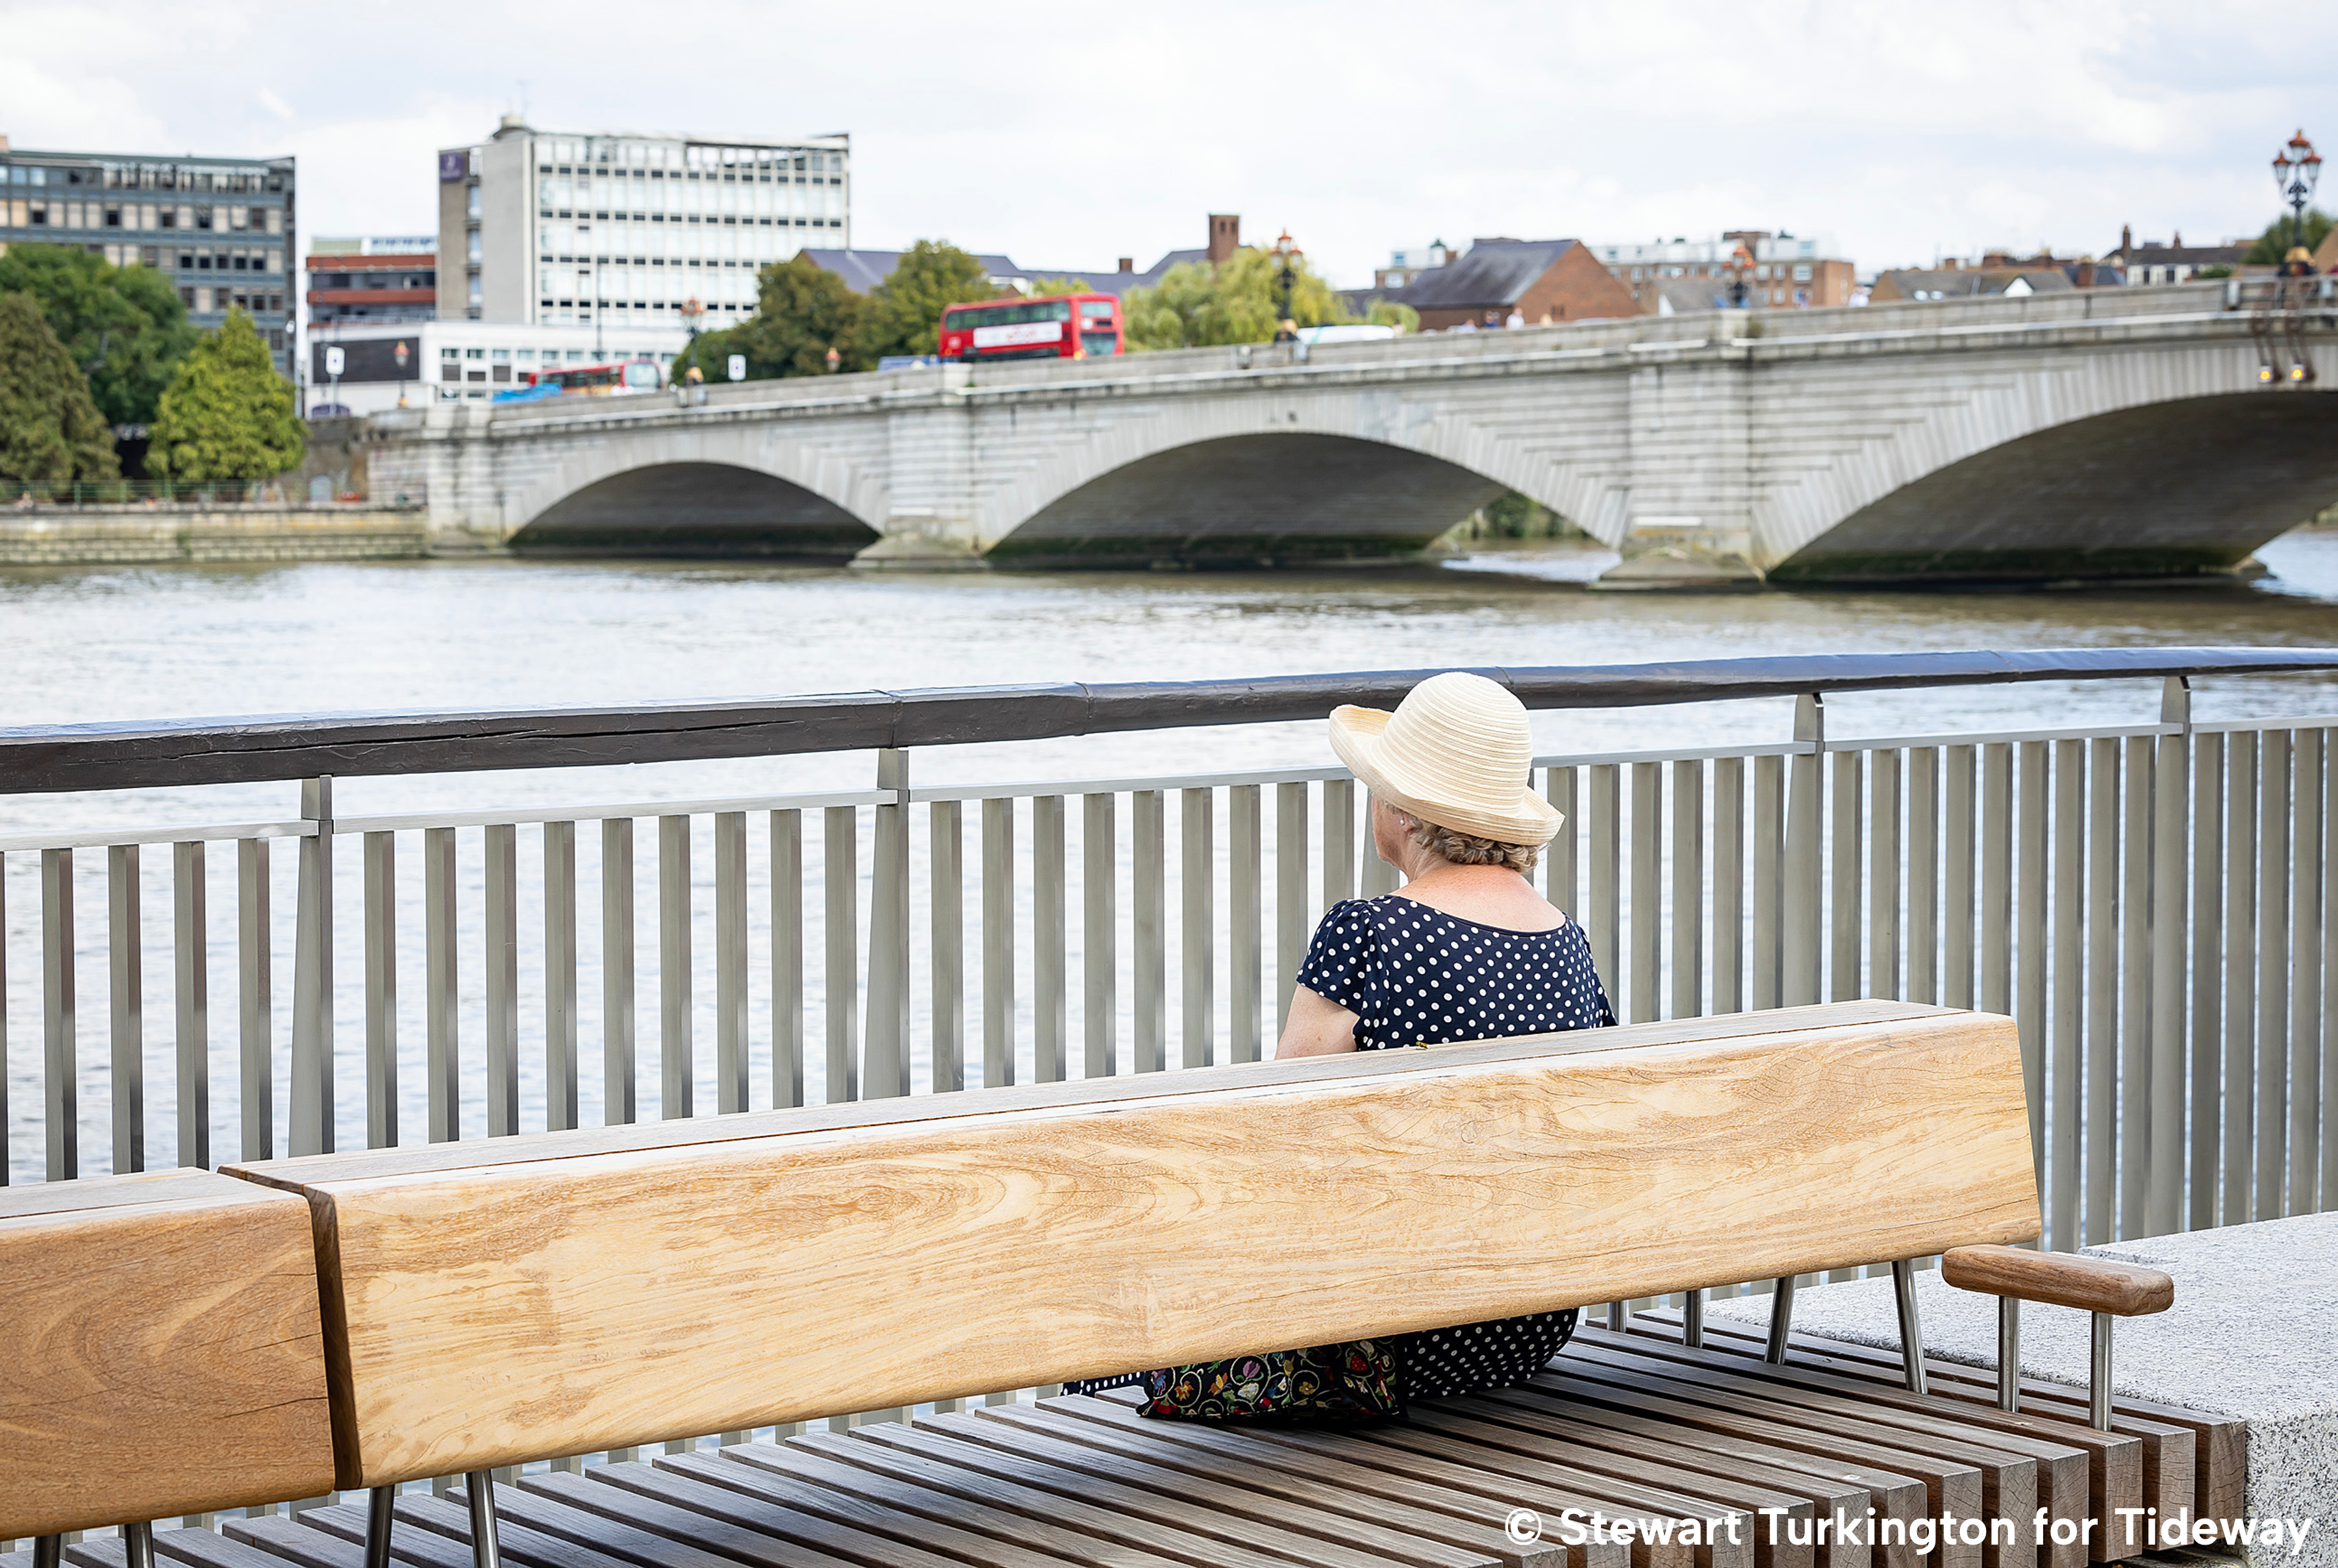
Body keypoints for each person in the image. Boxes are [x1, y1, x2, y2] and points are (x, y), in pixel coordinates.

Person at [1064, 671, 1615, 1422]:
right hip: (1527, 1323)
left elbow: (1279, 1124)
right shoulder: (1564, 940)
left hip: (1382, 1341)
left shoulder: (1368, 932)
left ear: (1402, 810)